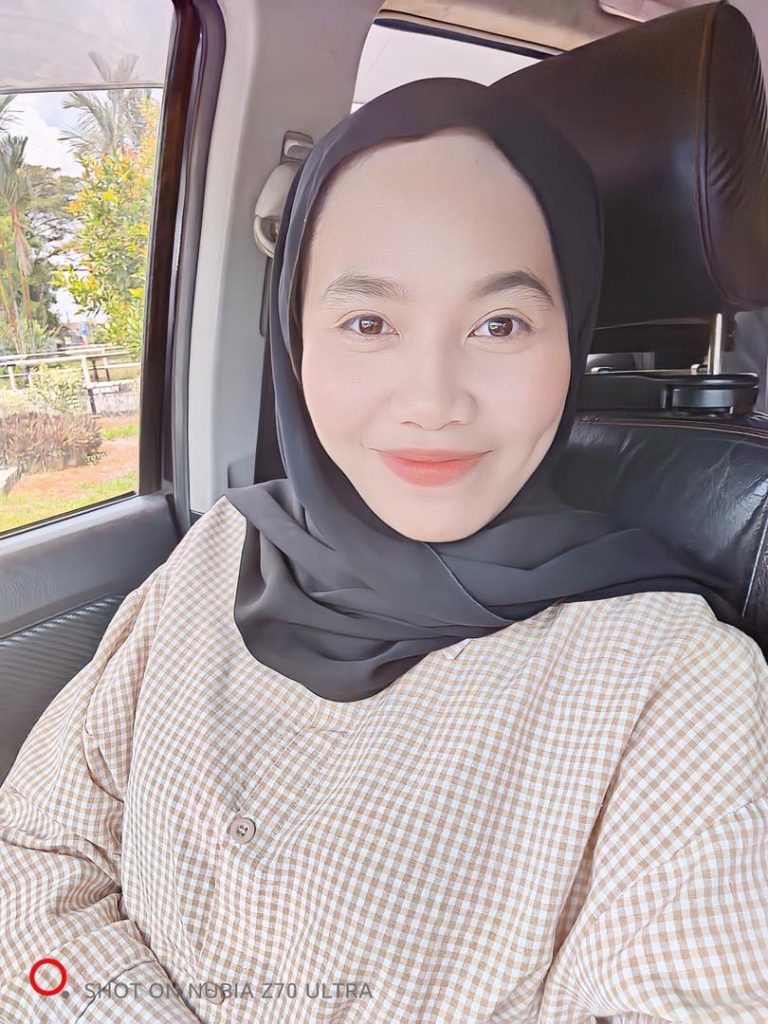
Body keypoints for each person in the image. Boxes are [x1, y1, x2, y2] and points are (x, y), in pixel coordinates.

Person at [0, 78, 765, 1023]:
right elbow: (35, 855)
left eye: (500, 325)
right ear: (294, 338)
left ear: (572, 339)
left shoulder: (672, 682)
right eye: (369, 323)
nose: (433, 400)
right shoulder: (224, 551)